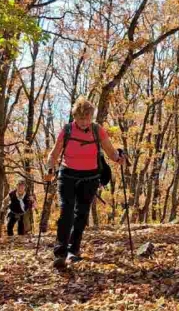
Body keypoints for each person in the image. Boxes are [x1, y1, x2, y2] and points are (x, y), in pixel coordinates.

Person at [45, 97, 125, 269]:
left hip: (90, 177)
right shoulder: (67, 130)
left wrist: (119, 158)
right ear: (75, 117)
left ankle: (73, 250)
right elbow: (54, 154)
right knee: (66, 212)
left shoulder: (97, 130)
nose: (84, 122)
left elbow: (110, 151)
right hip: (67, 175)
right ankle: (60, 253)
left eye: (87, 118)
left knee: (81, 214)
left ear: (91, 117)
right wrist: (49, 169)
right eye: (81, 118)